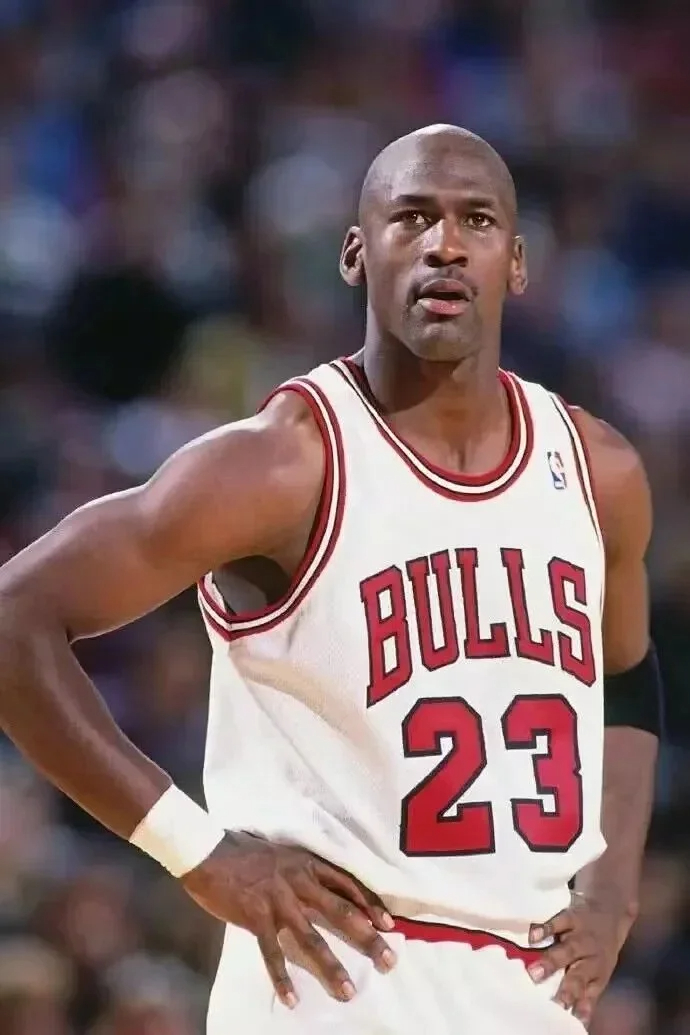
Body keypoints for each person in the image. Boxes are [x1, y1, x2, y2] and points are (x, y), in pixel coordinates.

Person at [0, 125, 661, 1034]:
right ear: (356, 253)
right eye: (412, 217)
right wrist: (196, 852)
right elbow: (16, 619)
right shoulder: (284, 463)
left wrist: (614, 887)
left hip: (529, 986)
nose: (444, 244)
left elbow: (628, 673)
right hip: (334, 977)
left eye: (476, 220)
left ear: (516, 262)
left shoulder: (597, 469)